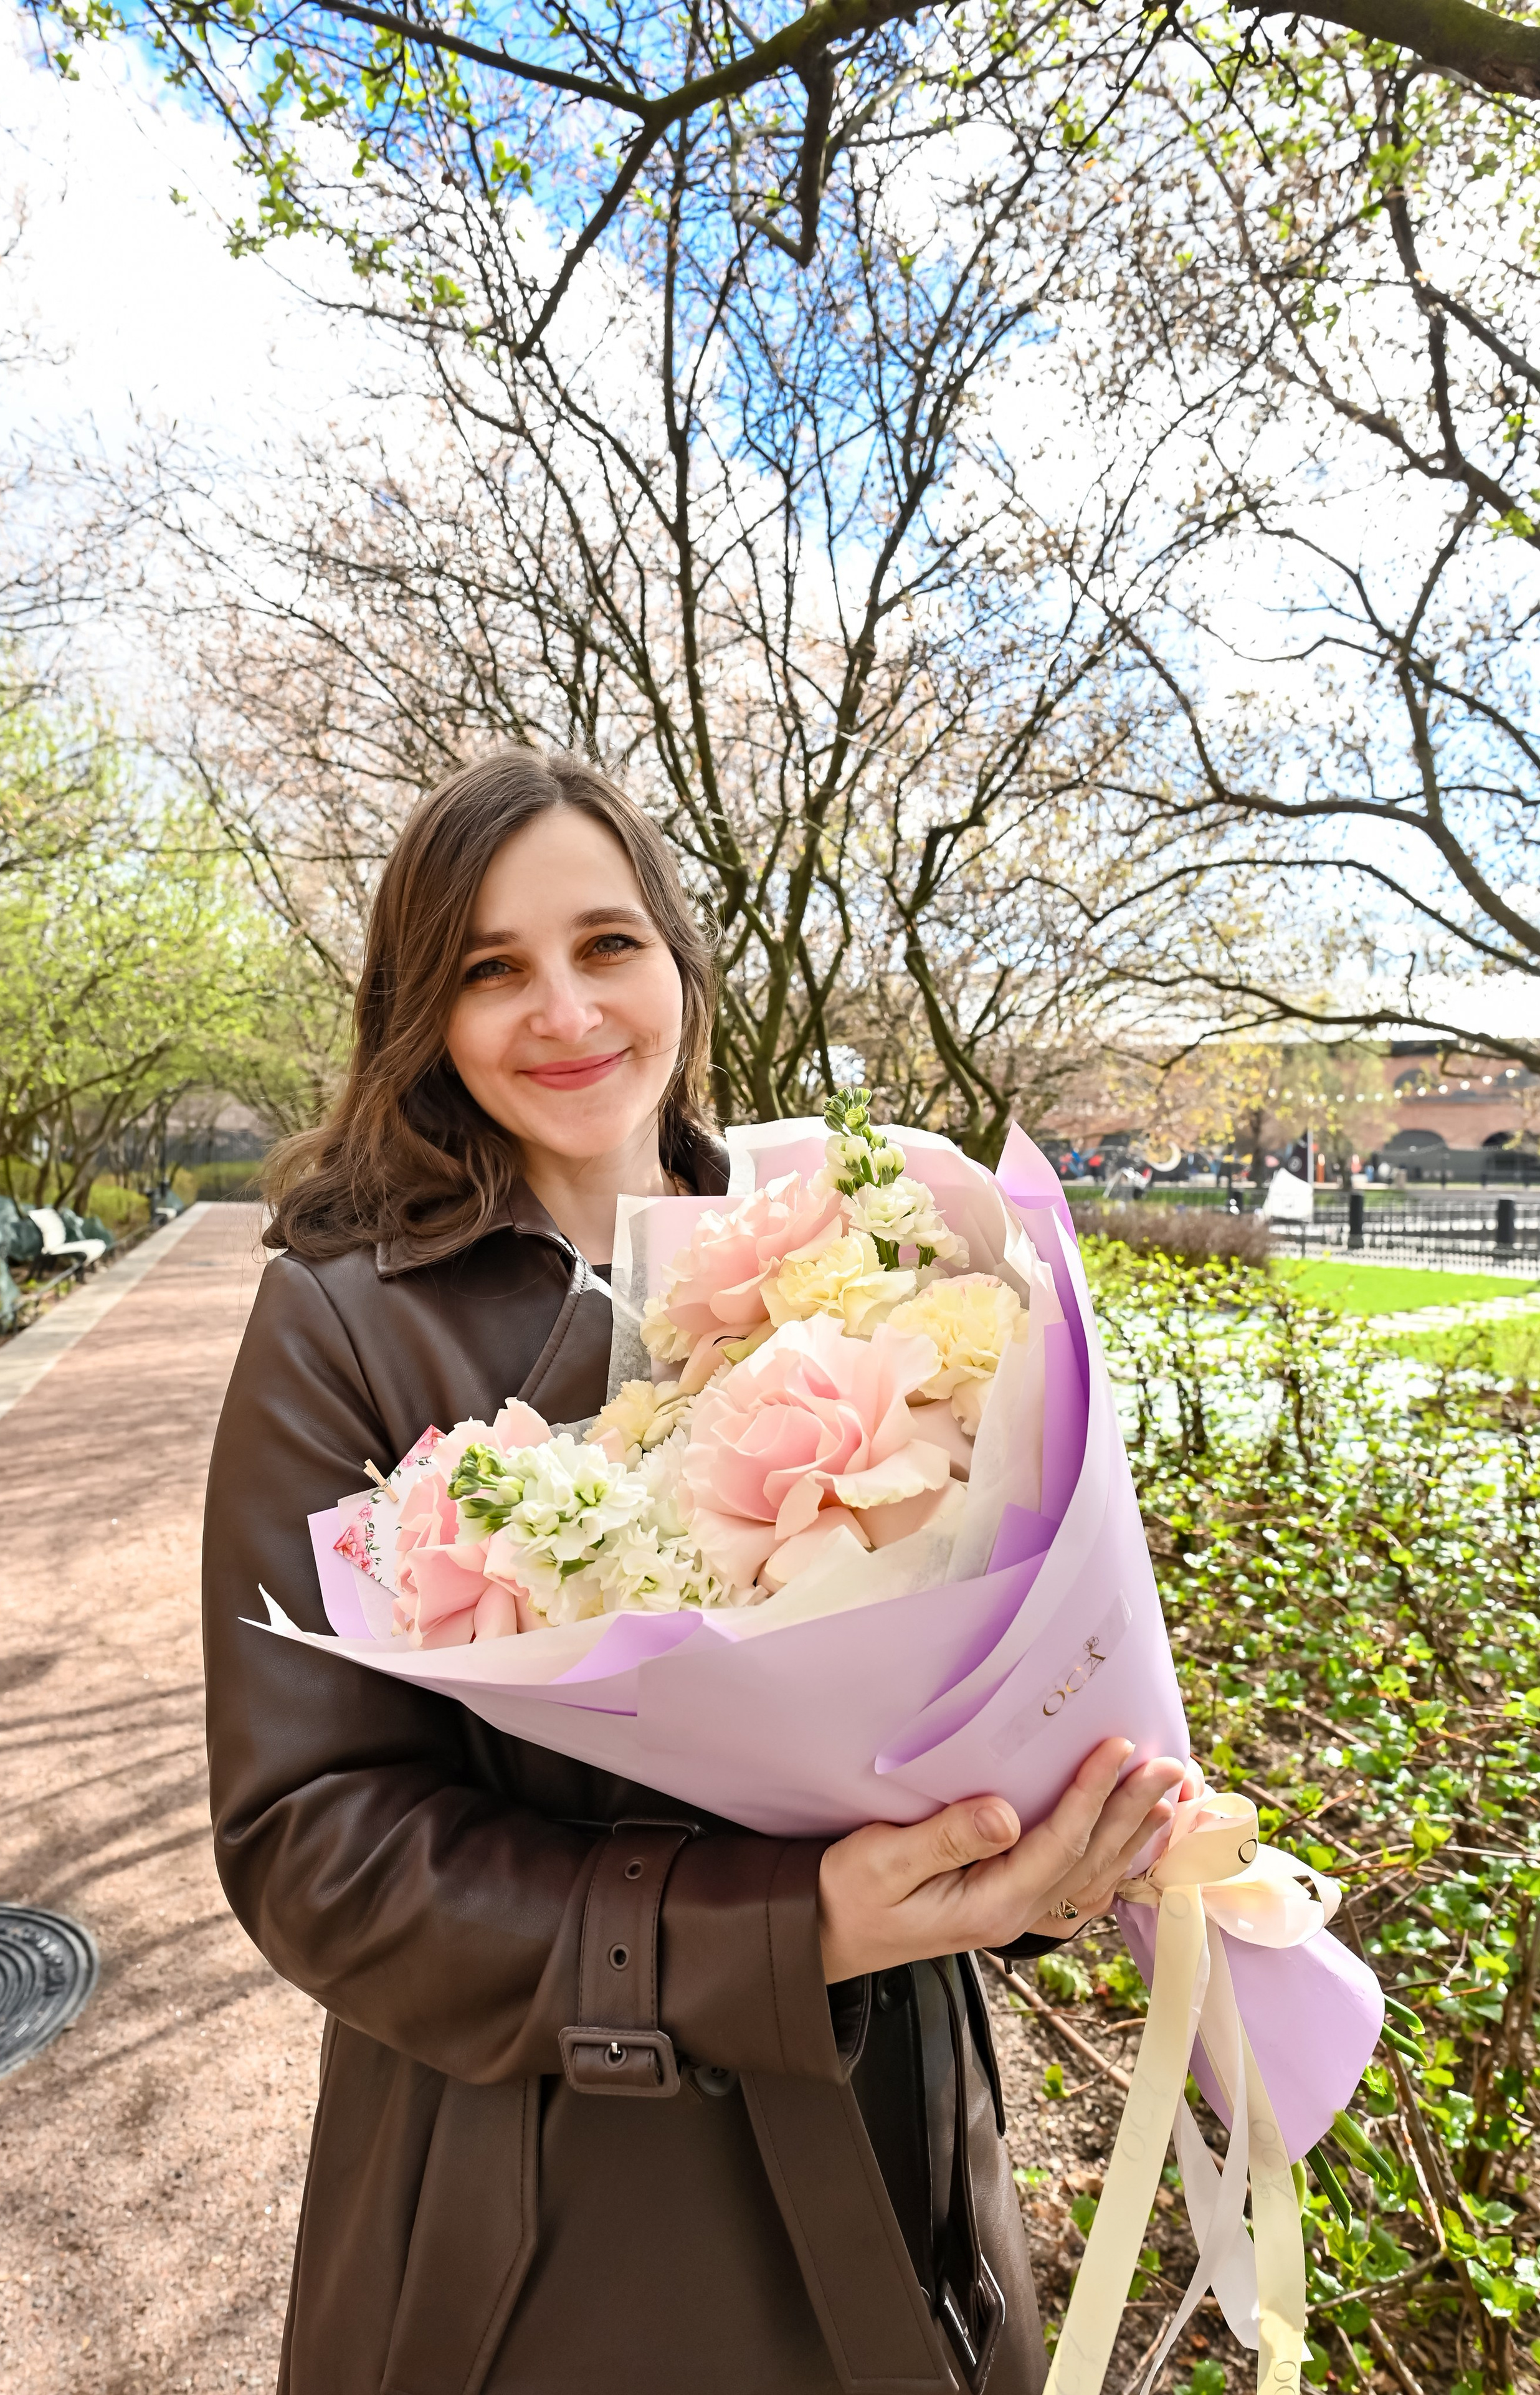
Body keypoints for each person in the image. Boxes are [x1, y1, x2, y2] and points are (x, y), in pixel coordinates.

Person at [202, 748, 1182, 2395]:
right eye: (489, 969)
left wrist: (1034, 1859)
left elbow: (978, 1622)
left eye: (605, 944)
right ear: (419, 1012)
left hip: (902, 2142)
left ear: (678, 958)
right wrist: (780, 1929)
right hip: (553, 2214)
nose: (565, 1010)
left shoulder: (854, 1236)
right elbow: (317, 1845)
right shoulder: (343, 1321)